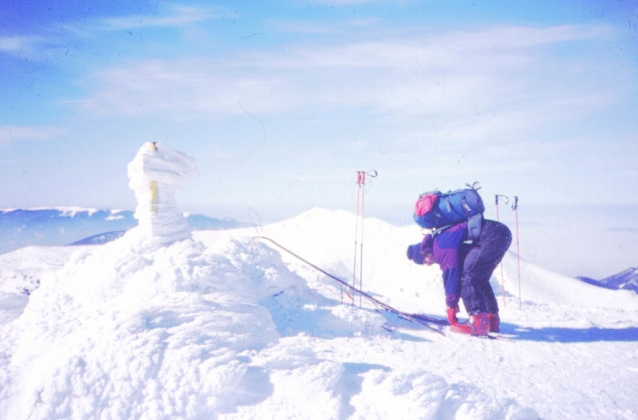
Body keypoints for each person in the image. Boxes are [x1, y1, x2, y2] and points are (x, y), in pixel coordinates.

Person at [407, 219, 512, 335]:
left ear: (425, 253)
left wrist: (451, 305)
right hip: (500, 233)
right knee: (480, 279)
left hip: (493, 235)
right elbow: (447, 276)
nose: (429, 264)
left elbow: (452, 275)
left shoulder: (440, 248)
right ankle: (492, 319)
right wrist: (452, 302)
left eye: (425, 261)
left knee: (468, 277)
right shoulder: (440, 243)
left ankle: (479, 322)